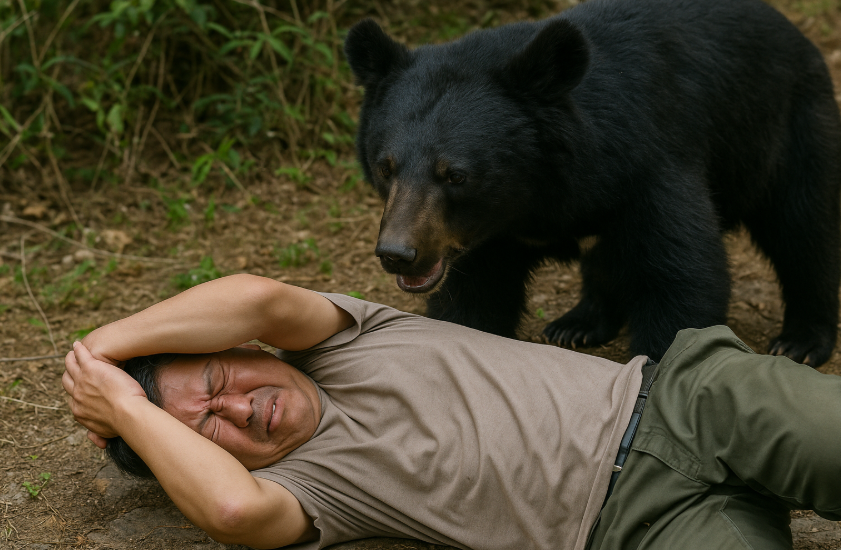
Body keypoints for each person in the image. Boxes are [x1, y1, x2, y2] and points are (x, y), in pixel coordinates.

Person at [62, 274, 841, 550]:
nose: (239, 406)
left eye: (224, 376)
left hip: (689, 401)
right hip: (640, 527)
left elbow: (256, 296)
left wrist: (97, 353)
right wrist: (127, 411)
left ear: (251, 348)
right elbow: (229, 509)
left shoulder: (347, 339)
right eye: (208, 428)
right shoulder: (311, 490)